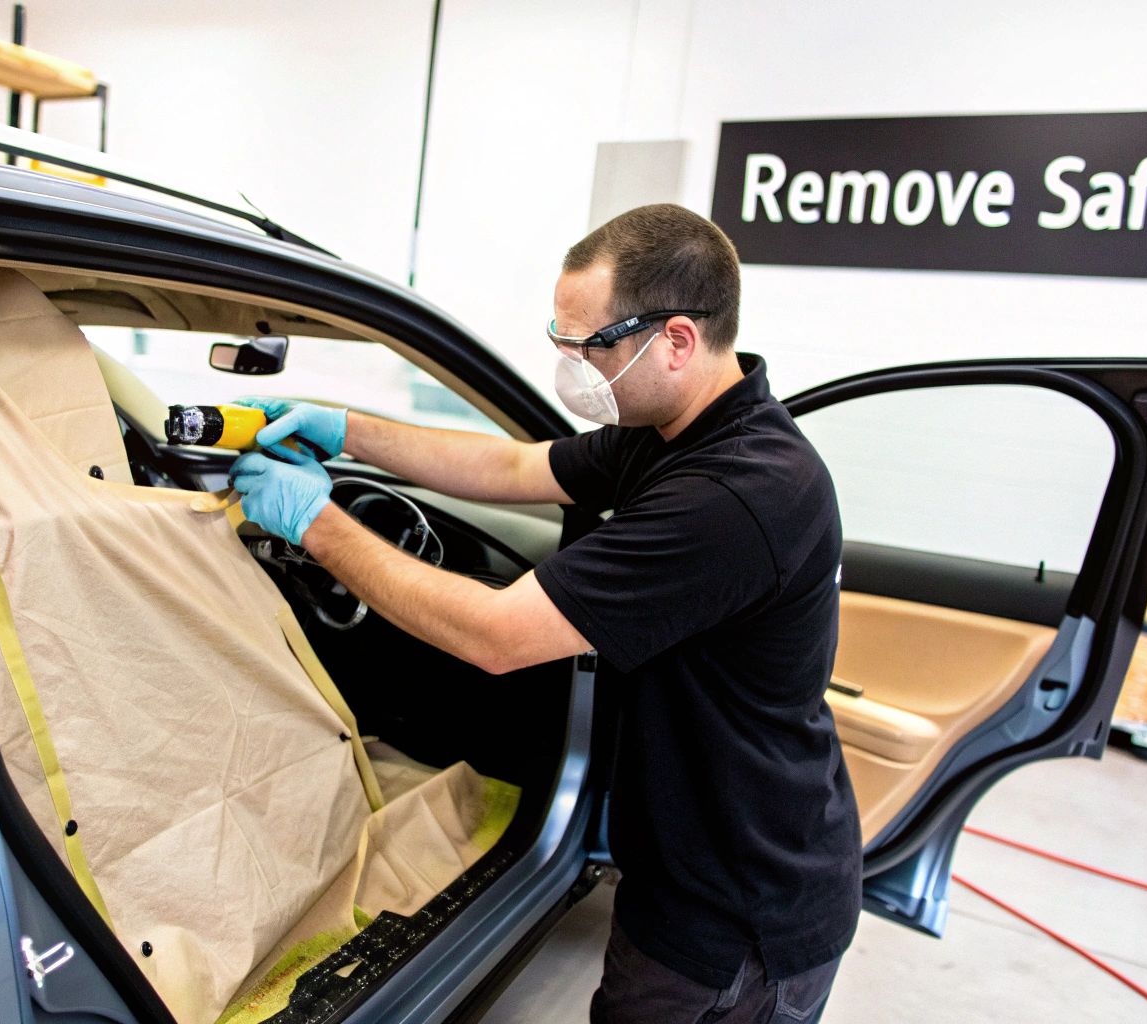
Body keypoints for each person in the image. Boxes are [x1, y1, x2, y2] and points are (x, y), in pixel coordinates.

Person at [228, 203, 860, 1023]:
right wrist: (347, 431)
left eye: (589, 344)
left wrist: (315, 524)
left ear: (674, 338)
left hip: (735, 912)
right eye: (561, 340)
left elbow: (497, 636)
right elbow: (515, 464)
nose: (573, 363)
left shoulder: (734, 494)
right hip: (699, 861)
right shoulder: (673, 426)